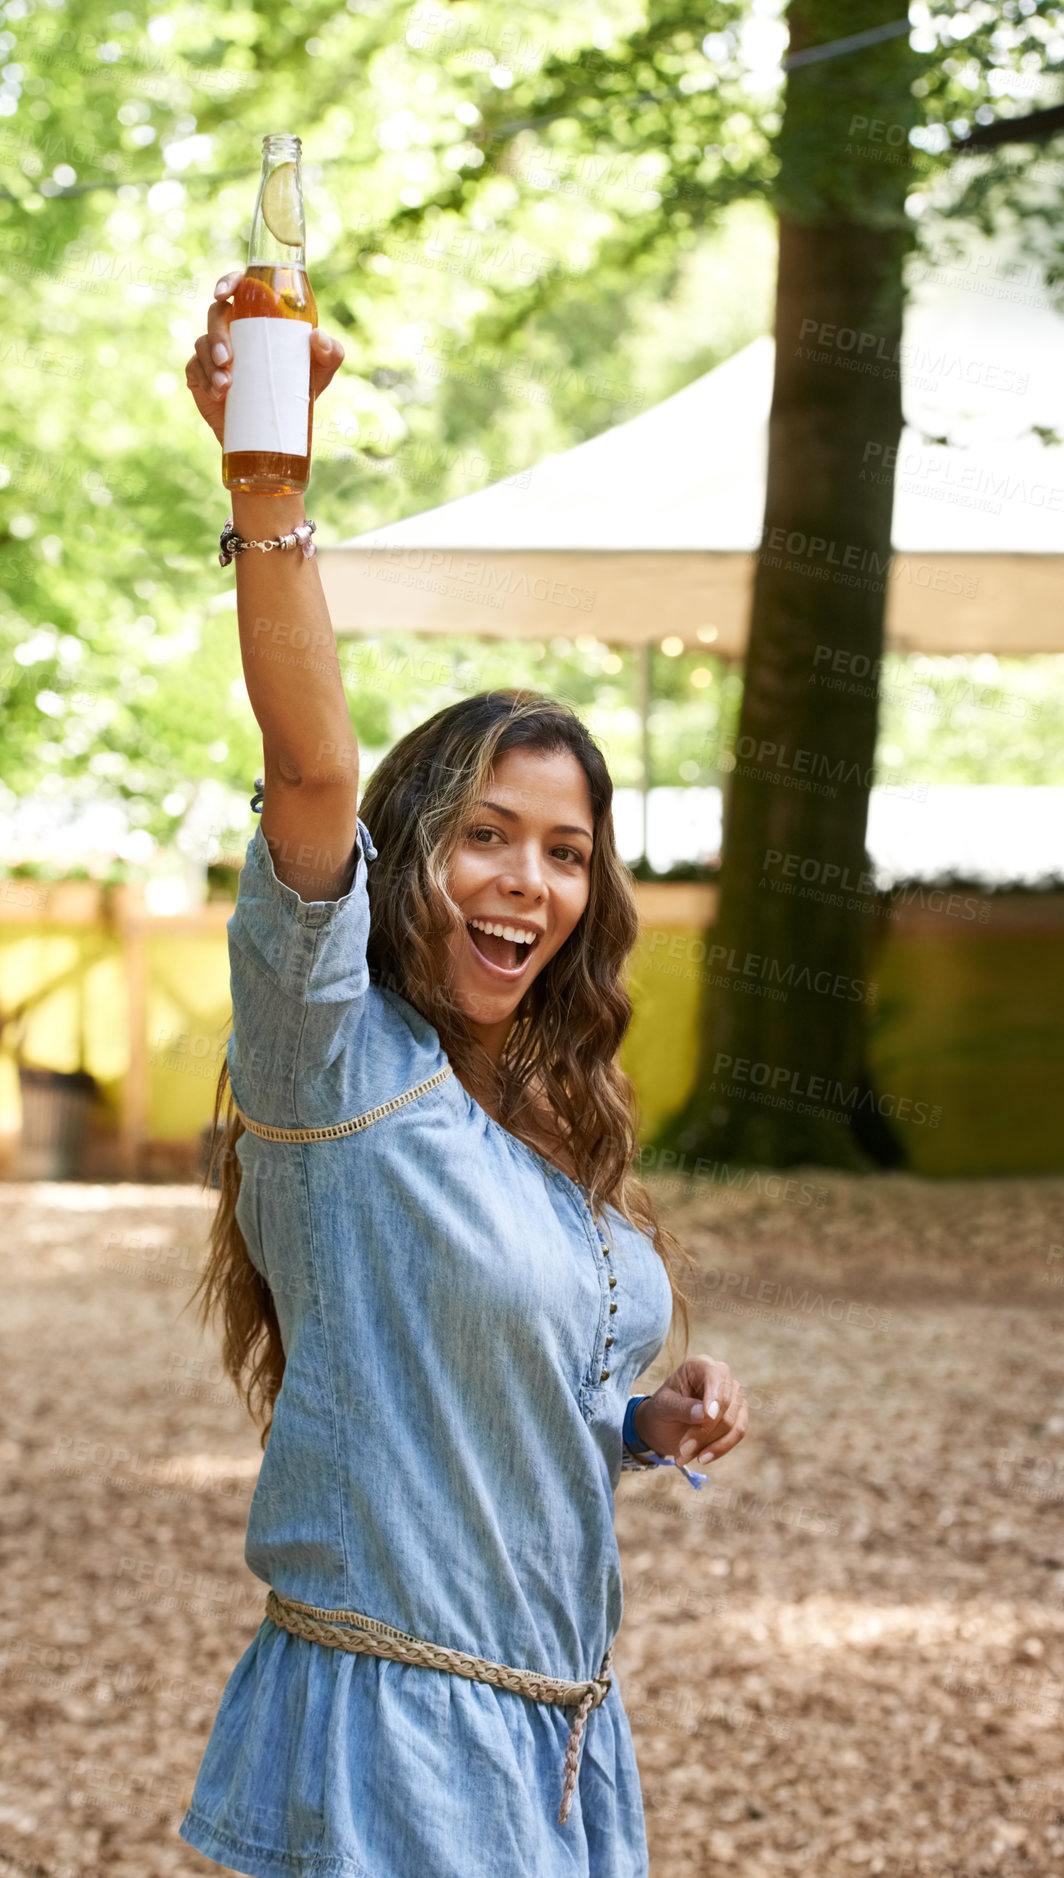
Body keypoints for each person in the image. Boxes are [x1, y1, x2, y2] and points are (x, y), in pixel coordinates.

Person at [177, 270, 749, 1878]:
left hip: (563, 1740)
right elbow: (307, 763)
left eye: (566, 853)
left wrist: (650, 1415)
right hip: (386, 1741)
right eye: (486, 834)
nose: (528, 881)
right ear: (413, 846)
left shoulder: (553, 1117)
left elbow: (522, 1399)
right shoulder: (331, 1052)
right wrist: (268, 489)